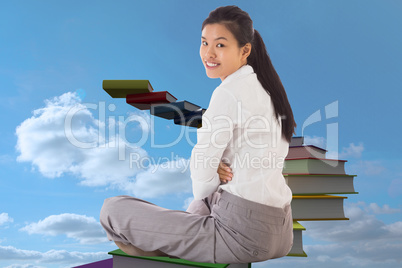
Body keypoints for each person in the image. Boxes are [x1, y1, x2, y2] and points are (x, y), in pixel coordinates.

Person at [100, 5, 296, 264]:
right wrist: (216, 171)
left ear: (245, 50)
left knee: (113, 209)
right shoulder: (269, 91)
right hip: (281, 231)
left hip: (243, 236)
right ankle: (185, 238)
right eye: (205, 43)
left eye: (221, 45)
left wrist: (212, 170)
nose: (209, 53)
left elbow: (202, 170)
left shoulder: (228, 93)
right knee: (203, 204)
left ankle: (166, 251)